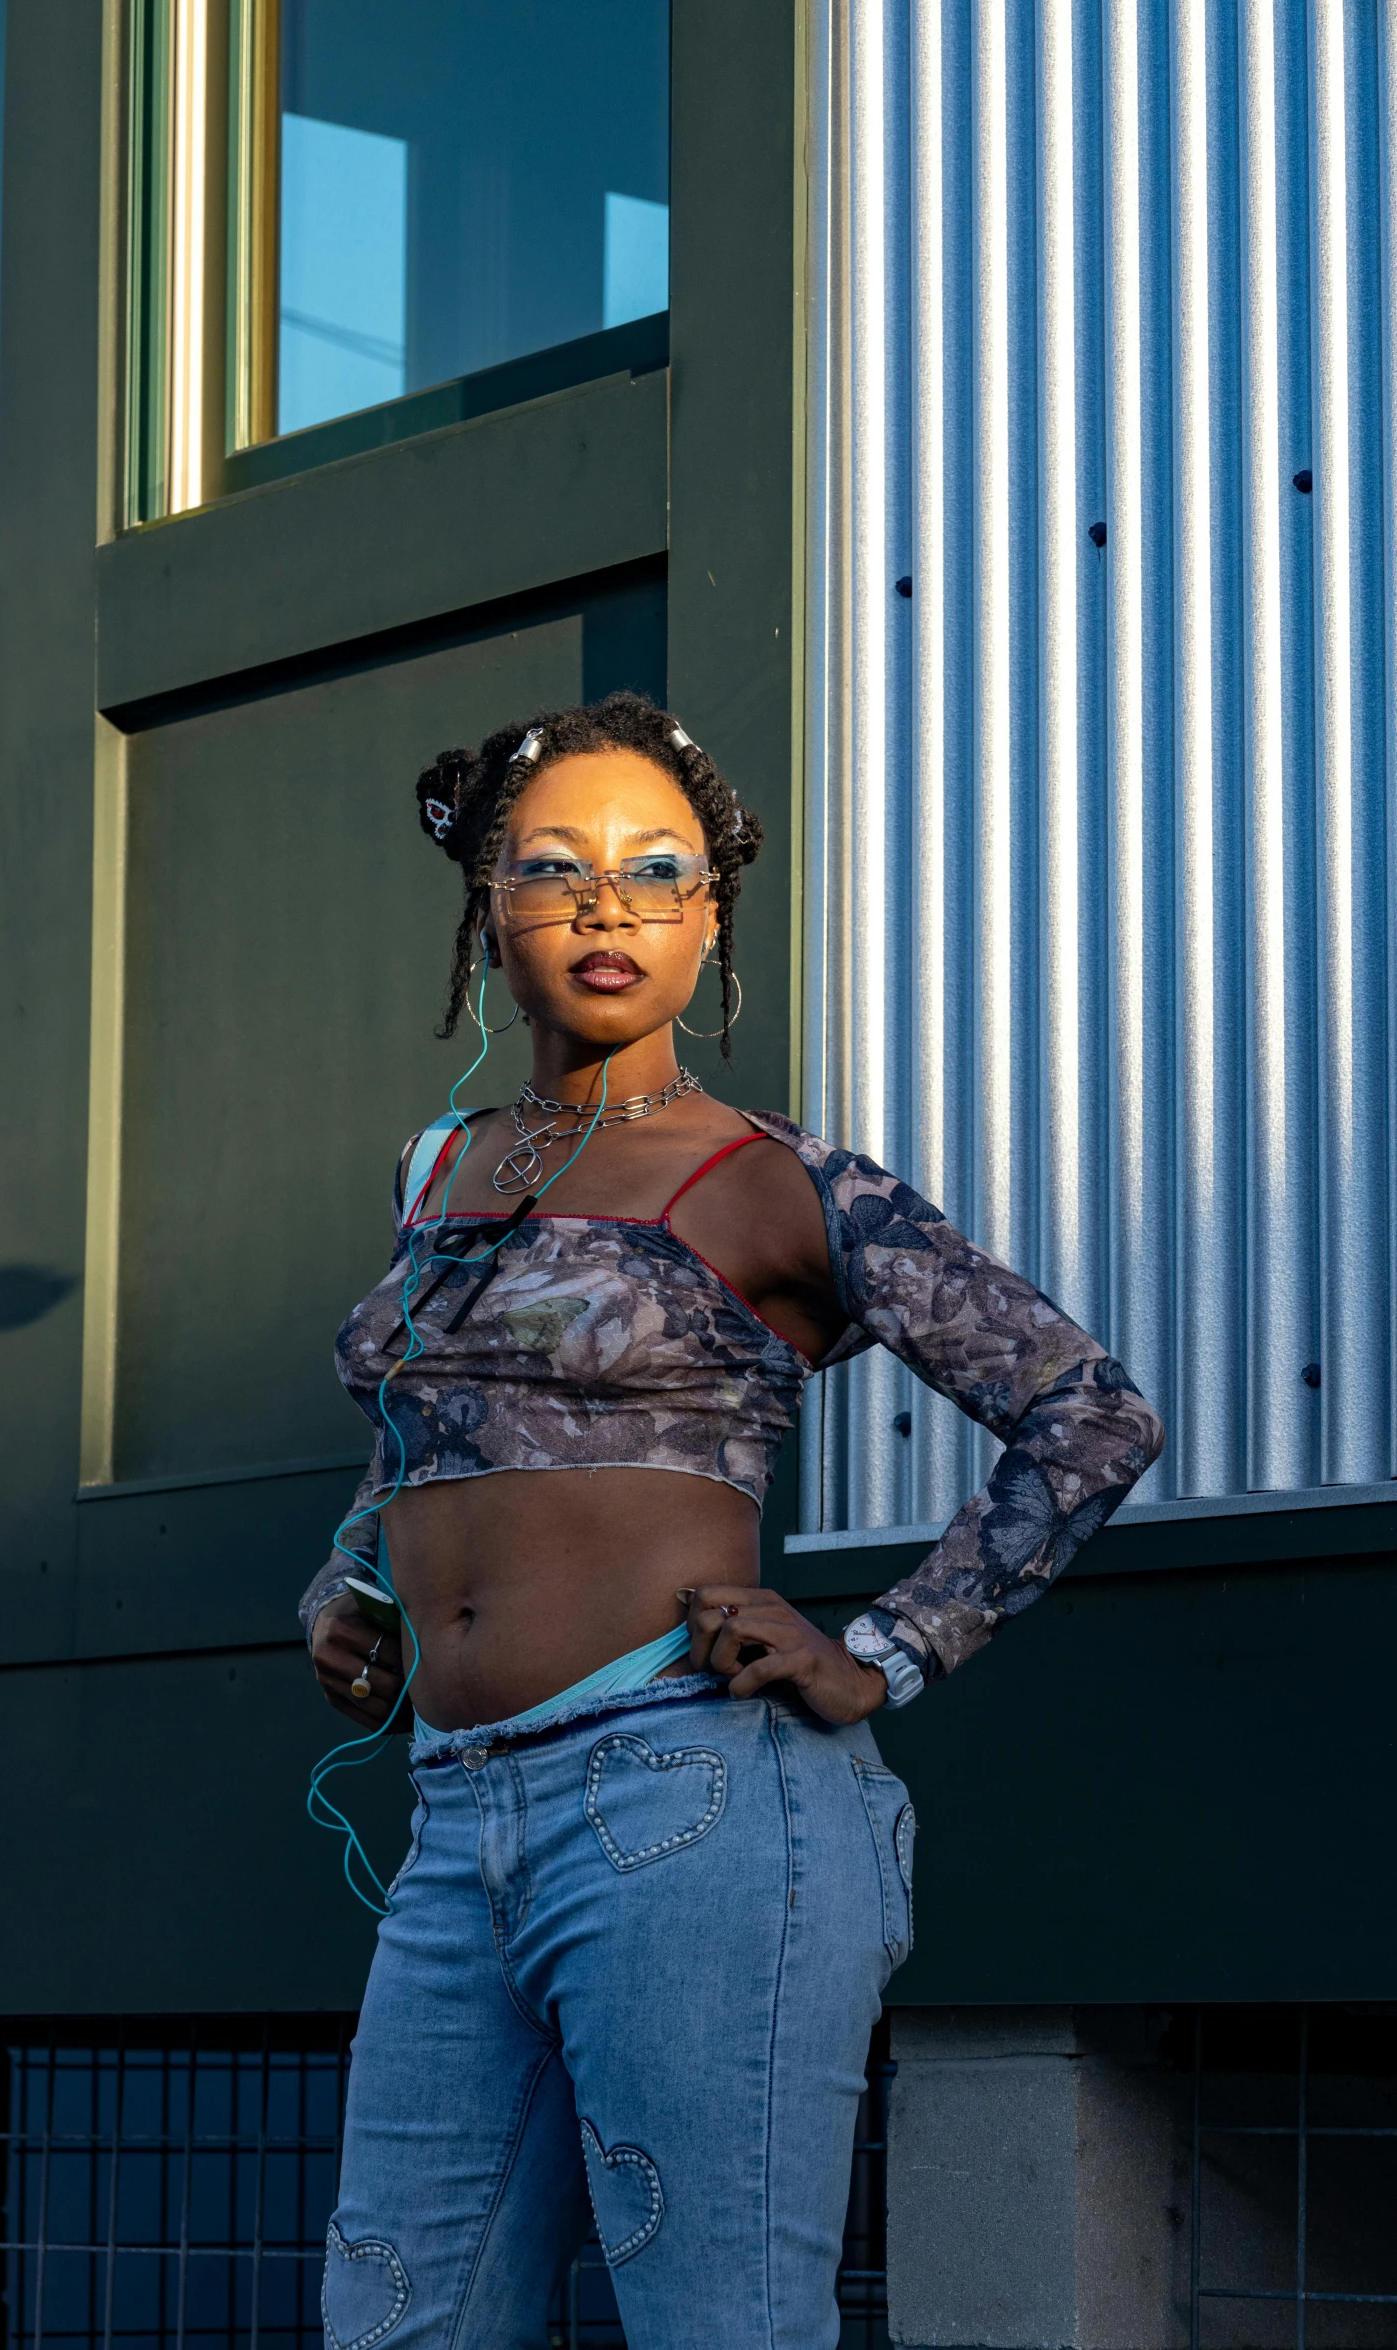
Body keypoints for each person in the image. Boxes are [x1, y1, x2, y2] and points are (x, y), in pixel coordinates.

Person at [299, 692, 1164, 2350]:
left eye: (655, 868)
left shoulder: (776, 1177)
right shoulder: (438, 1169)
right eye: (556, 865)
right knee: (395, 2323)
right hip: (451, 1823)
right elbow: (437, 1415)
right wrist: (352, 1578)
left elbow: (1087, 1415)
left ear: (709, 914)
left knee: (717, 2326)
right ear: (490, 899)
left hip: (682, 1803)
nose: (606, 901)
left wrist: (884, 1651)